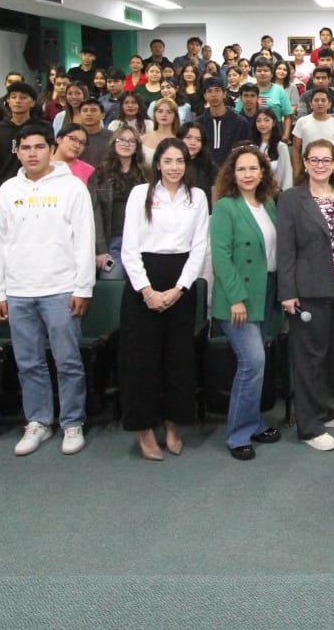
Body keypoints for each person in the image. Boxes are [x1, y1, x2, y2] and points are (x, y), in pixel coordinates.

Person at [0, 121, 97, 458]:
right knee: (28, 362)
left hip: (61, 289)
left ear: (51, 149)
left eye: (38, 147)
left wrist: (83, 288)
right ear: (17, 152)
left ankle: (71, 421)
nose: (32, 154)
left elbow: (84, 239)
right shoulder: (8, 190)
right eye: (25, 148)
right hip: (19, 291)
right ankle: (37, 421)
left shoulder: (72, 188)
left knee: (67, 360)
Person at [119, 137, 209, 461]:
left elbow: (199, 247)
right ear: (157, 163)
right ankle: (143, 429)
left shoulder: (196, 197)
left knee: (178, 359)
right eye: (168, 161)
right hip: (143, 279)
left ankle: (173, 424)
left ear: (187, 165)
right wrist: (146, 290)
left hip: (180, 284)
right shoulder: (139, 194)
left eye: (180, 161)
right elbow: (129, 247)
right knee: (142, 360)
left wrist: (179, 288)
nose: (174, 168)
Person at [277, 140, 334, 451]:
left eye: (327, 160)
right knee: (310, 357)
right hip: (309, 289)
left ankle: (325, 409)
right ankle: (309, 426)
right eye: (315, 160)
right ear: (305, 163)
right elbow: (285, 249)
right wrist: (288, 292)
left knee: (332, 354)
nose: (321, 165)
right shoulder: (291, 199)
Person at [209, 145, 285, 461]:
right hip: (237, 298)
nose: (248, 174)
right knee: (252, 362)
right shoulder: (226, 207)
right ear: (232, 173)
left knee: (258, 362)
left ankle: (253, 424)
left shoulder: (268, 204)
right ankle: (238, 433)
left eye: (253, 168)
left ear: (263, 172)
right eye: (241, 169)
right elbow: (221, 258)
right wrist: (237, 298)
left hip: (266, 291)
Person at [90, 127, 149, 280]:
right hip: (113, 243)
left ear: (137, 146)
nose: (126, 144)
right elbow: (94, 213)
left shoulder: (147, 175)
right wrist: (100, 250)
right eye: (121, 139)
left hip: (142, 242)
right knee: (111, 279)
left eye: (131, 141)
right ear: (113, 143)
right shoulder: (100, 175)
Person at [0, 81, 45, 192]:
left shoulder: (43, 127)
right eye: (13, 97)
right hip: (2, 189)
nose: (17, 101)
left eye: (23, 97)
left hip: (36, 187)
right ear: (8, 101)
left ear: (33, 103)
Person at [195, 76, 253, 168]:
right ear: (205, 96)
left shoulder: (240, 123)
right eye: (209, 91)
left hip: (231, 174)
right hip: (204, 174)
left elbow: (247, 151)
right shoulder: (197, 124)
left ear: (224, 93)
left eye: (217, 90)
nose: (214, 95)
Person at [292, 87, 334, 180]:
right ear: (310, 104)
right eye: (316, 100)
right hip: (307, 170)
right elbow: (295, 149)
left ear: (329, 104)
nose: (320, 103)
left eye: (323, 100)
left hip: (330, 170)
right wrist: (297, 171)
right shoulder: (302, 122)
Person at [252, 107, 293, 191]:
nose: (262, 124)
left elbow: (287, 174)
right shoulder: (252, 146)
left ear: (273, 123)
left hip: (275, 192)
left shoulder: (281, 147)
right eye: (259, 120)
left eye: (266, 120)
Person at [78, 99, 111, 166]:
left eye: (93, 110)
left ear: (103, 115)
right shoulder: (72, 137)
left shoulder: (112, 137)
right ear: (80, 115)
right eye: (85, 110)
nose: (89, 114)